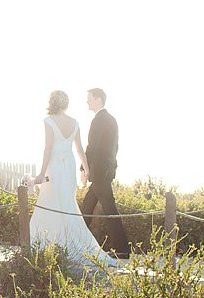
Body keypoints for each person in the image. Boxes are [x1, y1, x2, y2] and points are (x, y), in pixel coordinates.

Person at [27, 90, 119, 265]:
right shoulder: (75, 122)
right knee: (68, 203)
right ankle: (69, 241)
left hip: (54, 165)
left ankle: (50, 243)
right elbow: (79, 149)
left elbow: (48, 148)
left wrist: (41, 173)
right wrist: (86, 168)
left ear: (52, 102)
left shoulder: (49, 121)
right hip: (68, 166)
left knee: (50, 202)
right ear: (66, 103)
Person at [79, 88, 130, 258]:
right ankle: (79, 242)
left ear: (98, 99)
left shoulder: (99, 120)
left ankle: (123, 250)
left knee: (110, 210)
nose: (87, 101)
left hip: (100, 173)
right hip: (104, 172)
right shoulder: (111, 120)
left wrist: (84, 169)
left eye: (89, 98)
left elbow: (92, 147)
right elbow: (114, 148)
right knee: (87, 207)